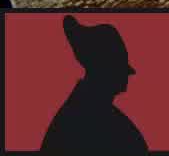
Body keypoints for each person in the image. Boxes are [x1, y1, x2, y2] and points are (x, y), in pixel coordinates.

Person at [41, 15, 148, 154]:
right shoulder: (85, 118)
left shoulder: (88, 110)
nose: (126, 77)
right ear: (105, 70)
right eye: (119, 68)